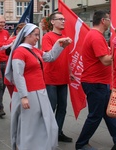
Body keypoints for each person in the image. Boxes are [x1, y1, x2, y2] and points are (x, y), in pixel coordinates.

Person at [5, 23, 72, 150]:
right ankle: (25, 146)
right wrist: (23, 96)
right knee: (29, 125)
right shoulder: (20, 51)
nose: (37, 38)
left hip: (39, 91)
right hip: (29, 93)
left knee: (42, 123)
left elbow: (50, 57)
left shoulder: (33, 50)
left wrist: (60, 45)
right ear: (27, 35)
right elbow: (18, 75)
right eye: (35, 35)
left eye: (38, 35)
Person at [75, 10, 116, 150]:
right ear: (103, 21)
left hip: (100, 82)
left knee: (109, 113)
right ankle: (81, 144)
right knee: (95, 115)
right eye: (109, 20)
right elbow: (105, 61)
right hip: (95, 82)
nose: (110, 22)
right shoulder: (96, 37)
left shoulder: (96, 35)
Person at [42, 11, 73, 143]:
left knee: (63, 108)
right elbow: (49, 56)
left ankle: (58, 132)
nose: (63, 21)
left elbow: (67, 58)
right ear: (53, 22)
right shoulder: (47, 37)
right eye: (60, 19)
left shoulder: (65, 37)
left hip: (63, 78)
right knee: (51, 107)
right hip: (51, 79)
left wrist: (70, 71)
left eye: (64, 19)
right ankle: (47, 133)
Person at [4, 22, 26, 98]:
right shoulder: (11, 40)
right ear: (17, 31)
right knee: (14, 98)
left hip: (25, 74)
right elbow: (7, 52)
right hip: (12, 72)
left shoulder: (28, 41)